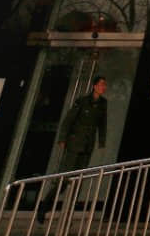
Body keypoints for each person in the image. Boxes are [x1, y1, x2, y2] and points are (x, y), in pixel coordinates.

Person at [37, 76, 108, 224]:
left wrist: (102, 142)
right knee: (64, 178)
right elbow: (68, 120)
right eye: (101, 84)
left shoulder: (103, 103)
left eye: (104, 85)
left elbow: (102, 123)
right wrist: (62, 139)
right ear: (94, 86)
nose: (103, 87)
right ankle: (44, 206)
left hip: (87, 145)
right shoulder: (82, 101)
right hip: (75, 143)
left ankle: (67, 215)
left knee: (78, 181)